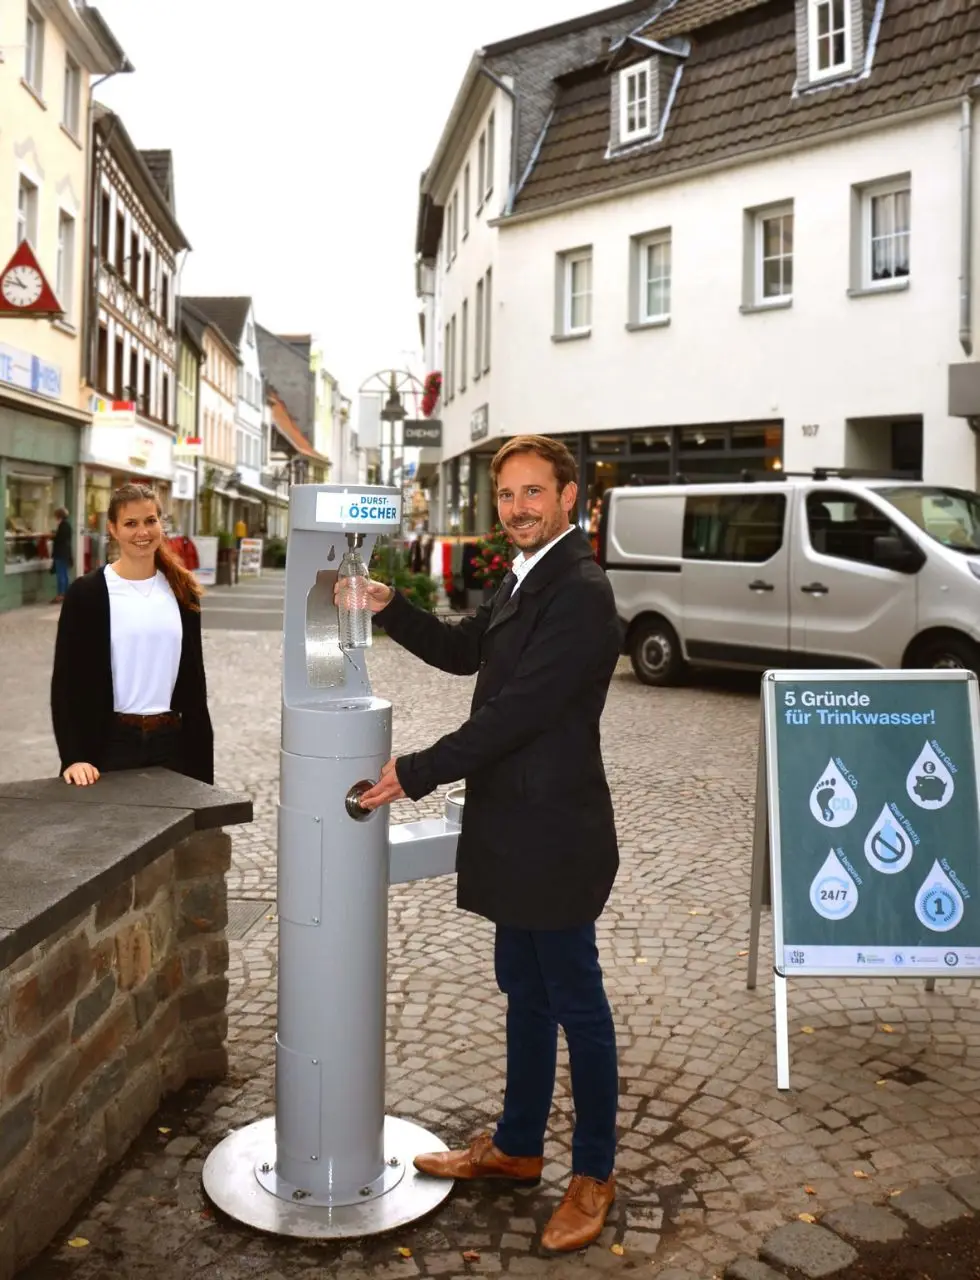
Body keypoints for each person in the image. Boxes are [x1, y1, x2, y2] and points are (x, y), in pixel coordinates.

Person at [341, 435, 622, 1252]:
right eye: (507, 496)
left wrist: (417, 770)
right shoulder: (526, 575)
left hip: (556, 833)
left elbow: (521, 712)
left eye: (534, 493)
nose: (518, 509)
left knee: (577, 1001)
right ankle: (518, 1147)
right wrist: (391, 607)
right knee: (525, 992)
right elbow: (470, 652)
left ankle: (594, 1174)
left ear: (570, 497)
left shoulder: (580, 588)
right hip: (512, 825)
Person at [51, 482, 213, 787]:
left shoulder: (182, 592)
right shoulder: (87, 594)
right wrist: (74, 756)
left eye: (150, 521)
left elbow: (195, 682)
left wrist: (202, 760)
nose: (143, 532)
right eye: (131, 523)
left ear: (161, 525)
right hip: (110, 744)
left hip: (174, 744)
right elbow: (66, 682)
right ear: (113, 529)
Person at [51, 506, 73, 603]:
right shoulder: (67, 525)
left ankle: (61, 594)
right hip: (66, 553)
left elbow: (59, 539)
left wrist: (53, 536)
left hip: (60, 553)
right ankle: (66, 594)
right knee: (64, 574)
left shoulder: (62, 526)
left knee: (61, 574)